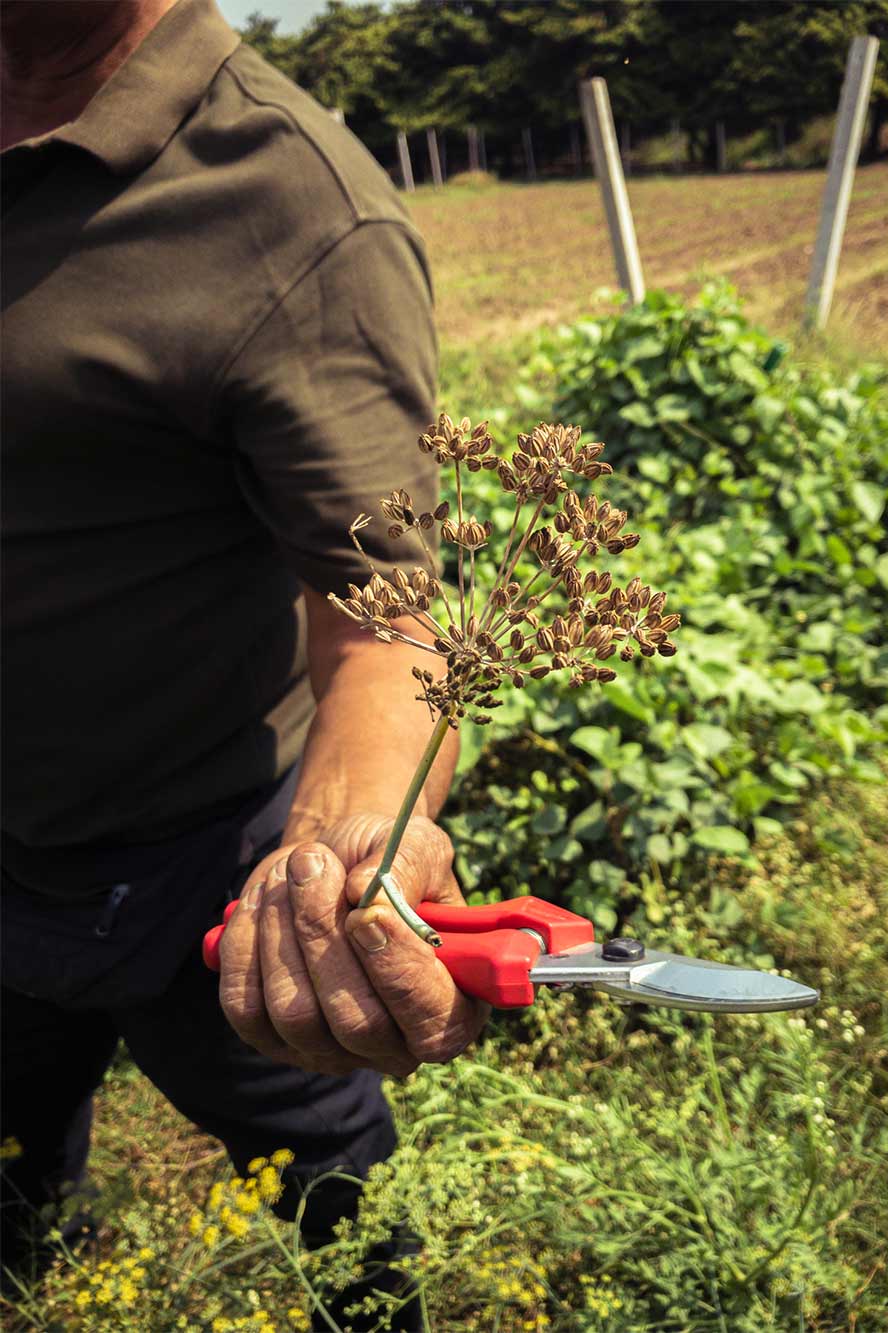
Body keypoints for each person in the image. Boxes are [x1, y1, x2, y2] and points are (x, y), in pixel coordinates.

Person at [0, 0, 489, 1327]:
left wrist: (336, 865)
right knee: (9, 1173)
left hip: (206, 870)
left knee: (339, 1215)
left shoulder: (294, 208)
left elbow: (385, 628)